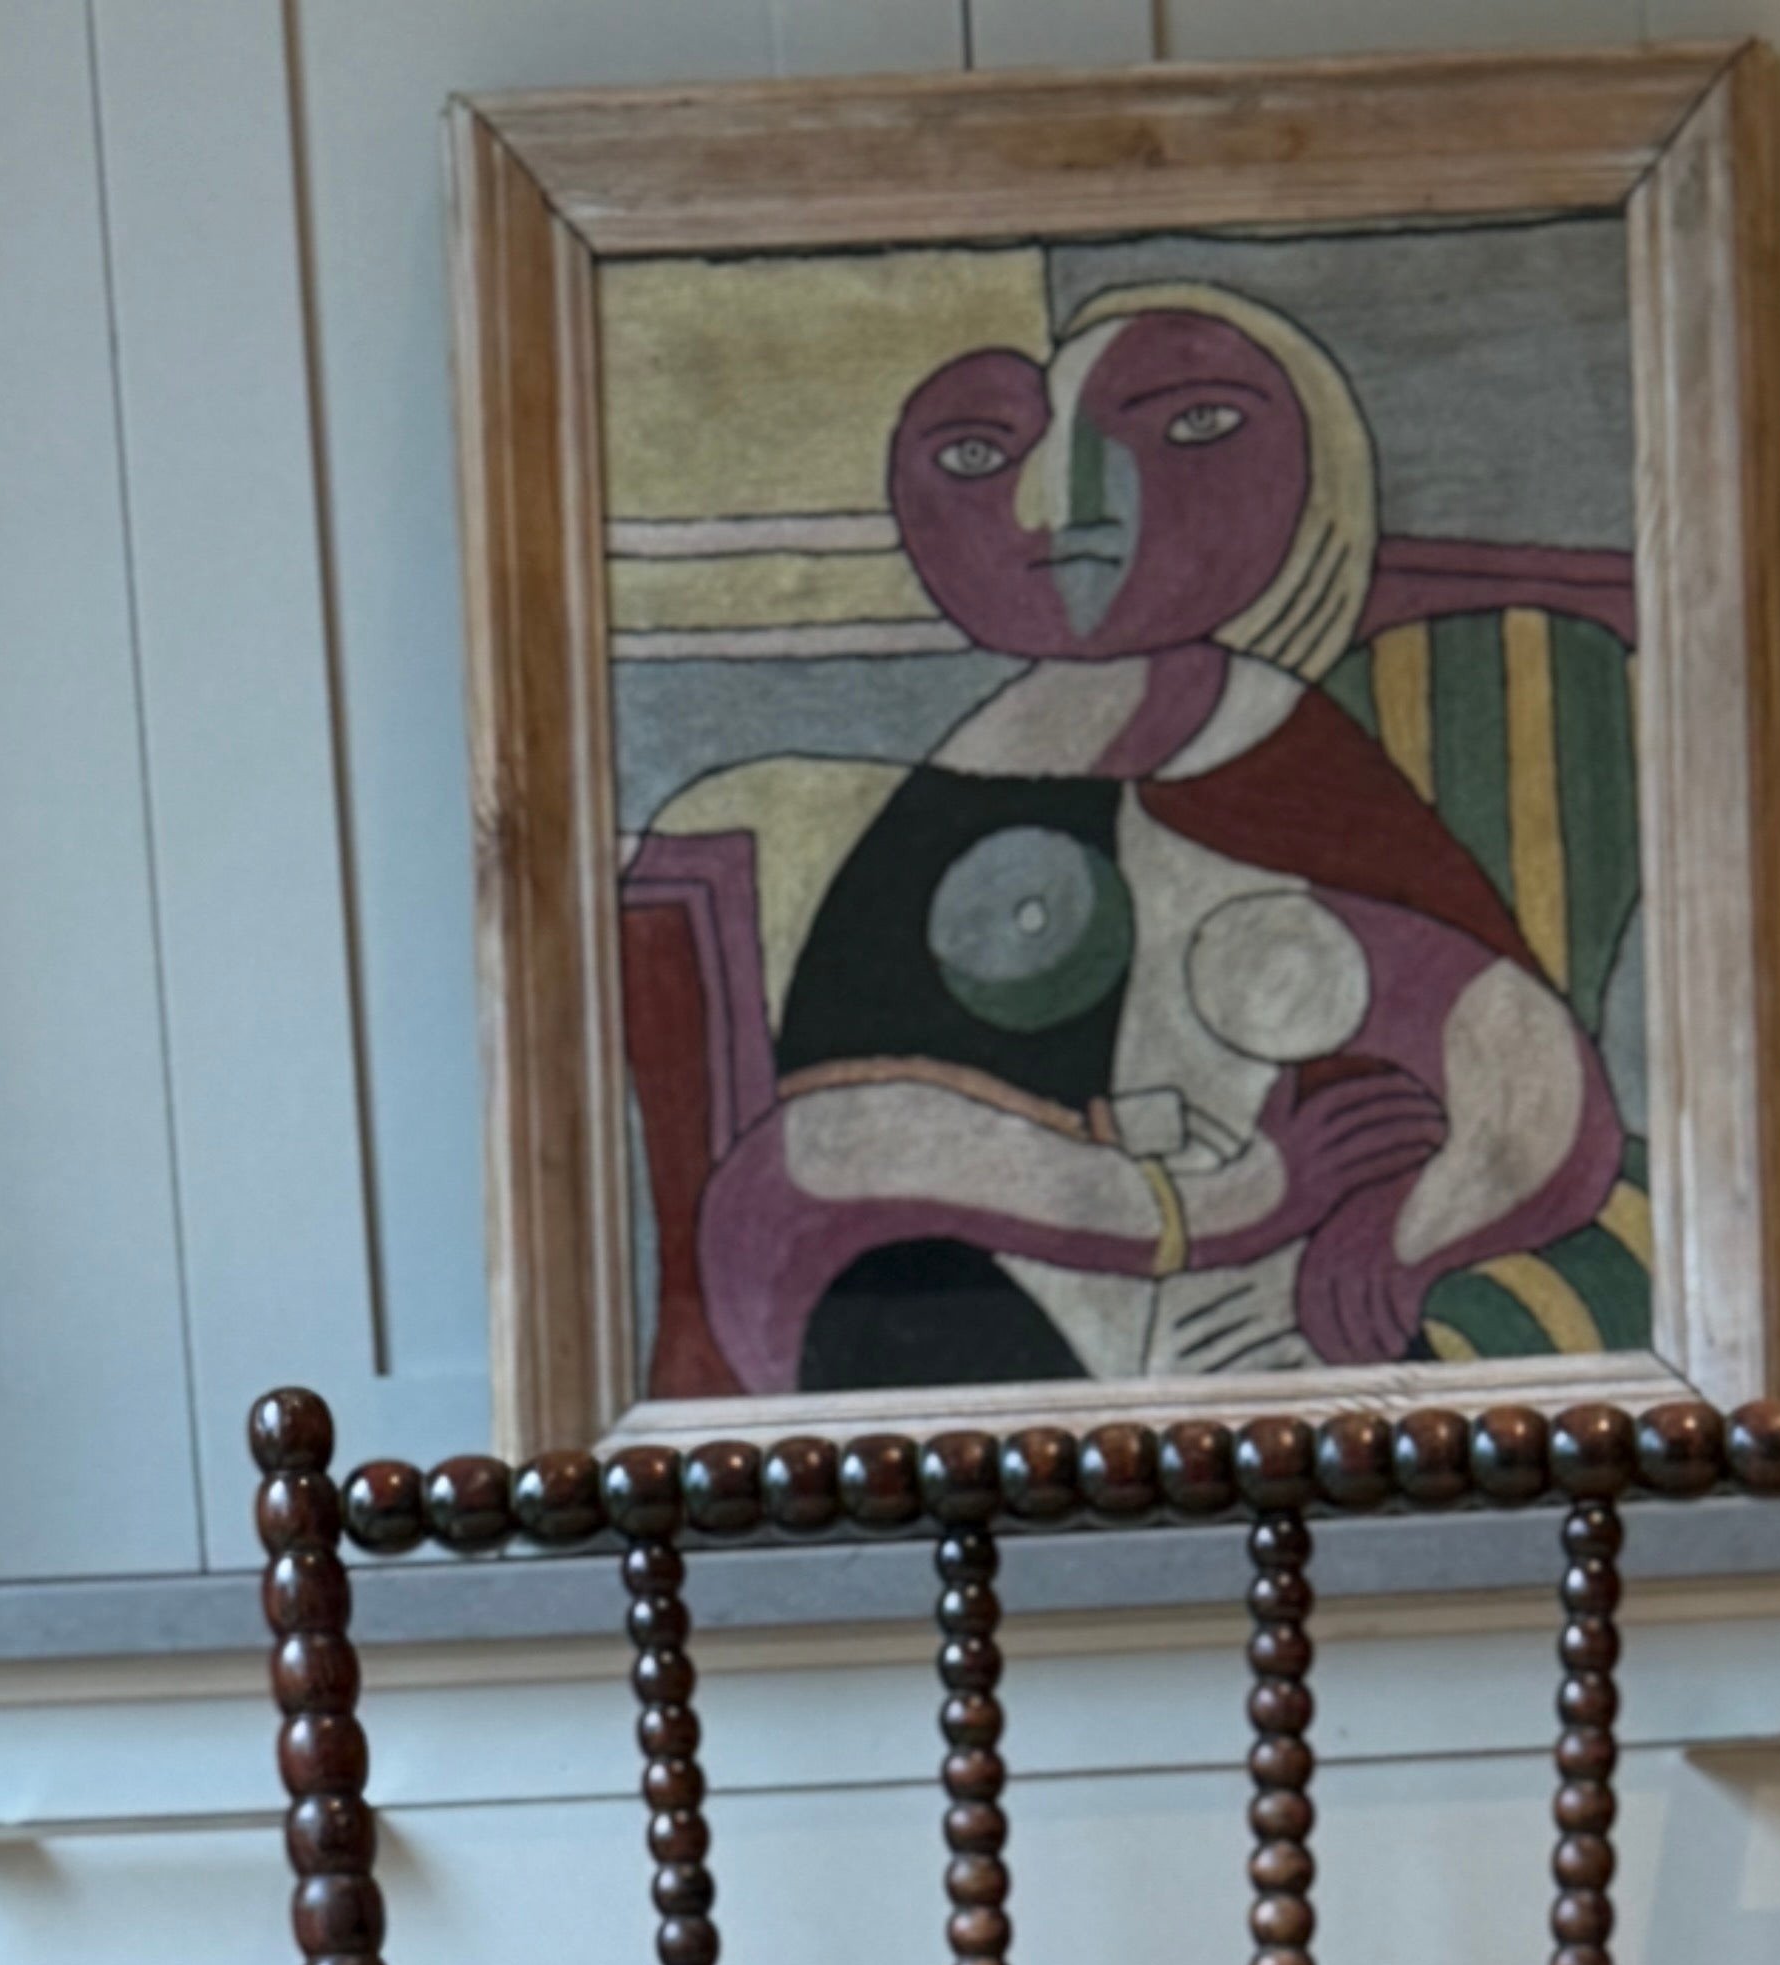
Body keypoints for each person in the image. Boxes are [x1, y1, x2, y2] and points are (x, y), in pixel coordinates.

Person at [627, 284, 1627, 1397]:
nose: (1066, 508)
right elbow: (814, 1166)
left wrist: (1402, 1234)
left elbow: (1530, 1083)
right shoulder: (964, 786)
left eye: (1190, 427)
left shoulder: (1279, 764)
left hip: (1256, 1350)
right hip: (953, 1331)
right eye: (977, 454)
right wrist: (1204, 1208)